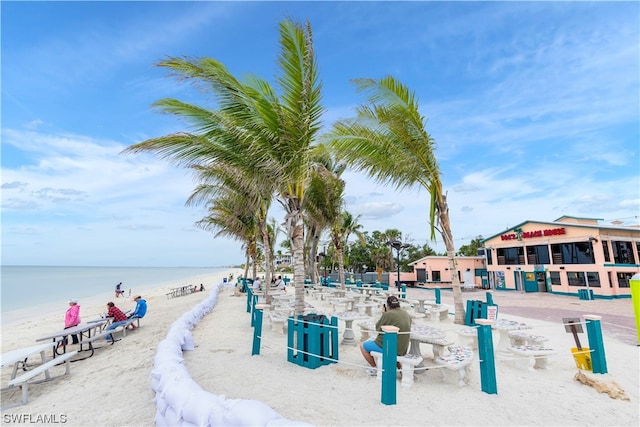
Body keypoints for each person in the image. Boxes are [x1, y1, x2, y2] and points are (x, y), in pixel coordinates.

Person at [359, 295, 412, 375]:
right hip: (403, 348)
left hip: (391, 348)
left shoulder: (388, 314)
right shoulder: (405, 313)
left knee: (363, 346)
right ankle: (399, 367)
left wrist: (383, 314)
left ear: (388, 306)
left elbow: (378, 328)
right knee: (394, 341)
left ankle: (374, 368)